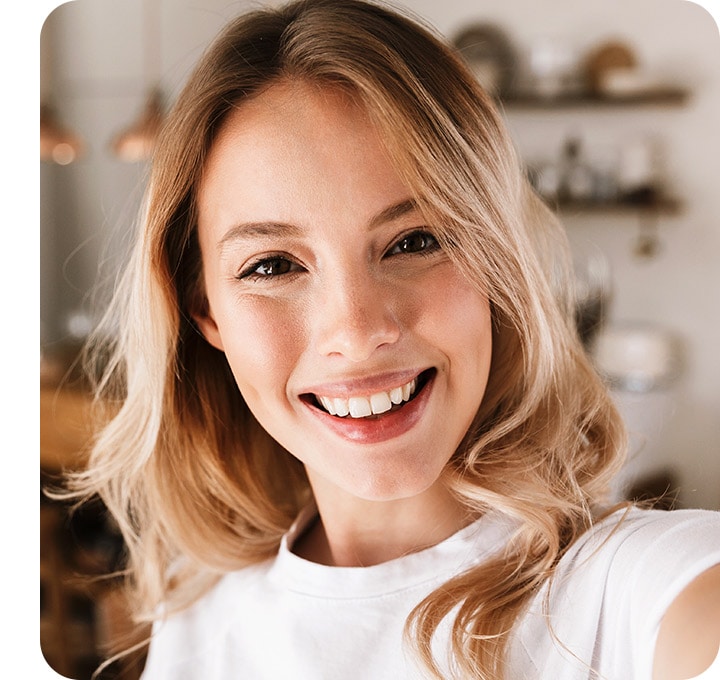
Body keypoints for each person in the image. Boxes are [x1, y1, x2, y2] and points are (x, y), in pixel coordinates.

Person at [64, 0, 720, 678]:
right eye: (272, 265)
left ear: (498, 264)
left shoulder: (638, 592)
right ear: (207, 315)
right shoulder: (195, 615)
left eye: (415, 241)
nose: (357, 331)